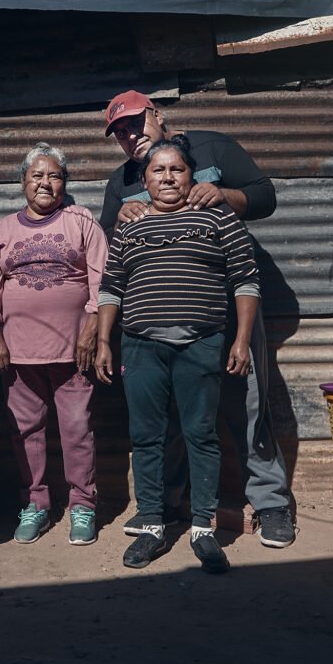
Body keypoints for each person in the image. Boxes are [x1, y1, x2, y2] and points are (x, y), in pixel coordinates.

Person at [101, 90, 295, 548]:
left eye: (135, 123)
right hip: (159, 320)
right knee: (166, 414)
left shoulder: (213, 147)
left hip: (226, 307)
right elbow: (111, 246)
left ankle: (271, 505)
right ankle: (165, 505)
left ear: (158, 114)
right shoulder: (121, 180)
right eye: (121, 132)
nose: (131, 136)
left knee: (246, 403)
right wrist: (127, 214)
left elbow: (265, 196)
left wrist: (225, 194)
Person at [95, 137, 260, 573]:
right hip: (141, 345)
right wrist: (102, 341)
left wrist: (240, 340)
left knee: (200, 435)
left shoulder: (217, 216)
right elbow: (111, 287)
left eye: (177, 170)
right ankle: (152, 524)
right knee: (146, 435)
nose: (168, 177)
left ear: (191, 176)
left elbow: (245, 280)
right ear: (144, 181)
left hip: (201, 343)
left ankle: (203, 529)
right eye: (158, 171)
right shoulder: (128, 224)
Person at [0, 142, 108, 546]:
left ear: (65, 183)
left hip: (73, 352)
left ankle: (82, 505)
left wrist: (90, 331)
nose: (45, 182)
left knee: (76, 428)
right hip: (17, 353)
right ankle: (34, 503)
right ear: (23, 182)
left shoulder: (81, 220)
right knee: (25, 430)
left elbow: (101, 280)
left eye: (54, 175)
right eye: (37, 175)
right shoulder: (5, 229)